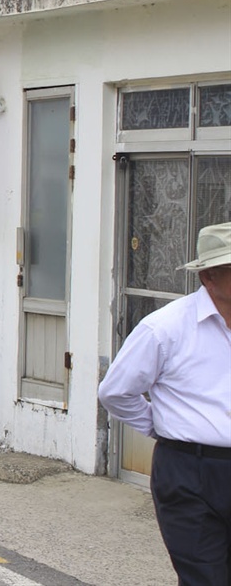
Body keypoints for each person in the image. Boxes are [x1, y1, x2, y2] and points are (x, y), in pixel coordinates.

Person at [99, 221, 231, 586]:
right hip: (190, 471)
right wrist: (159, 425)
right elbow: (115, 392)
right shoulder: (166, 328)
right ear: (210, 278)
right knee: (205, 578)